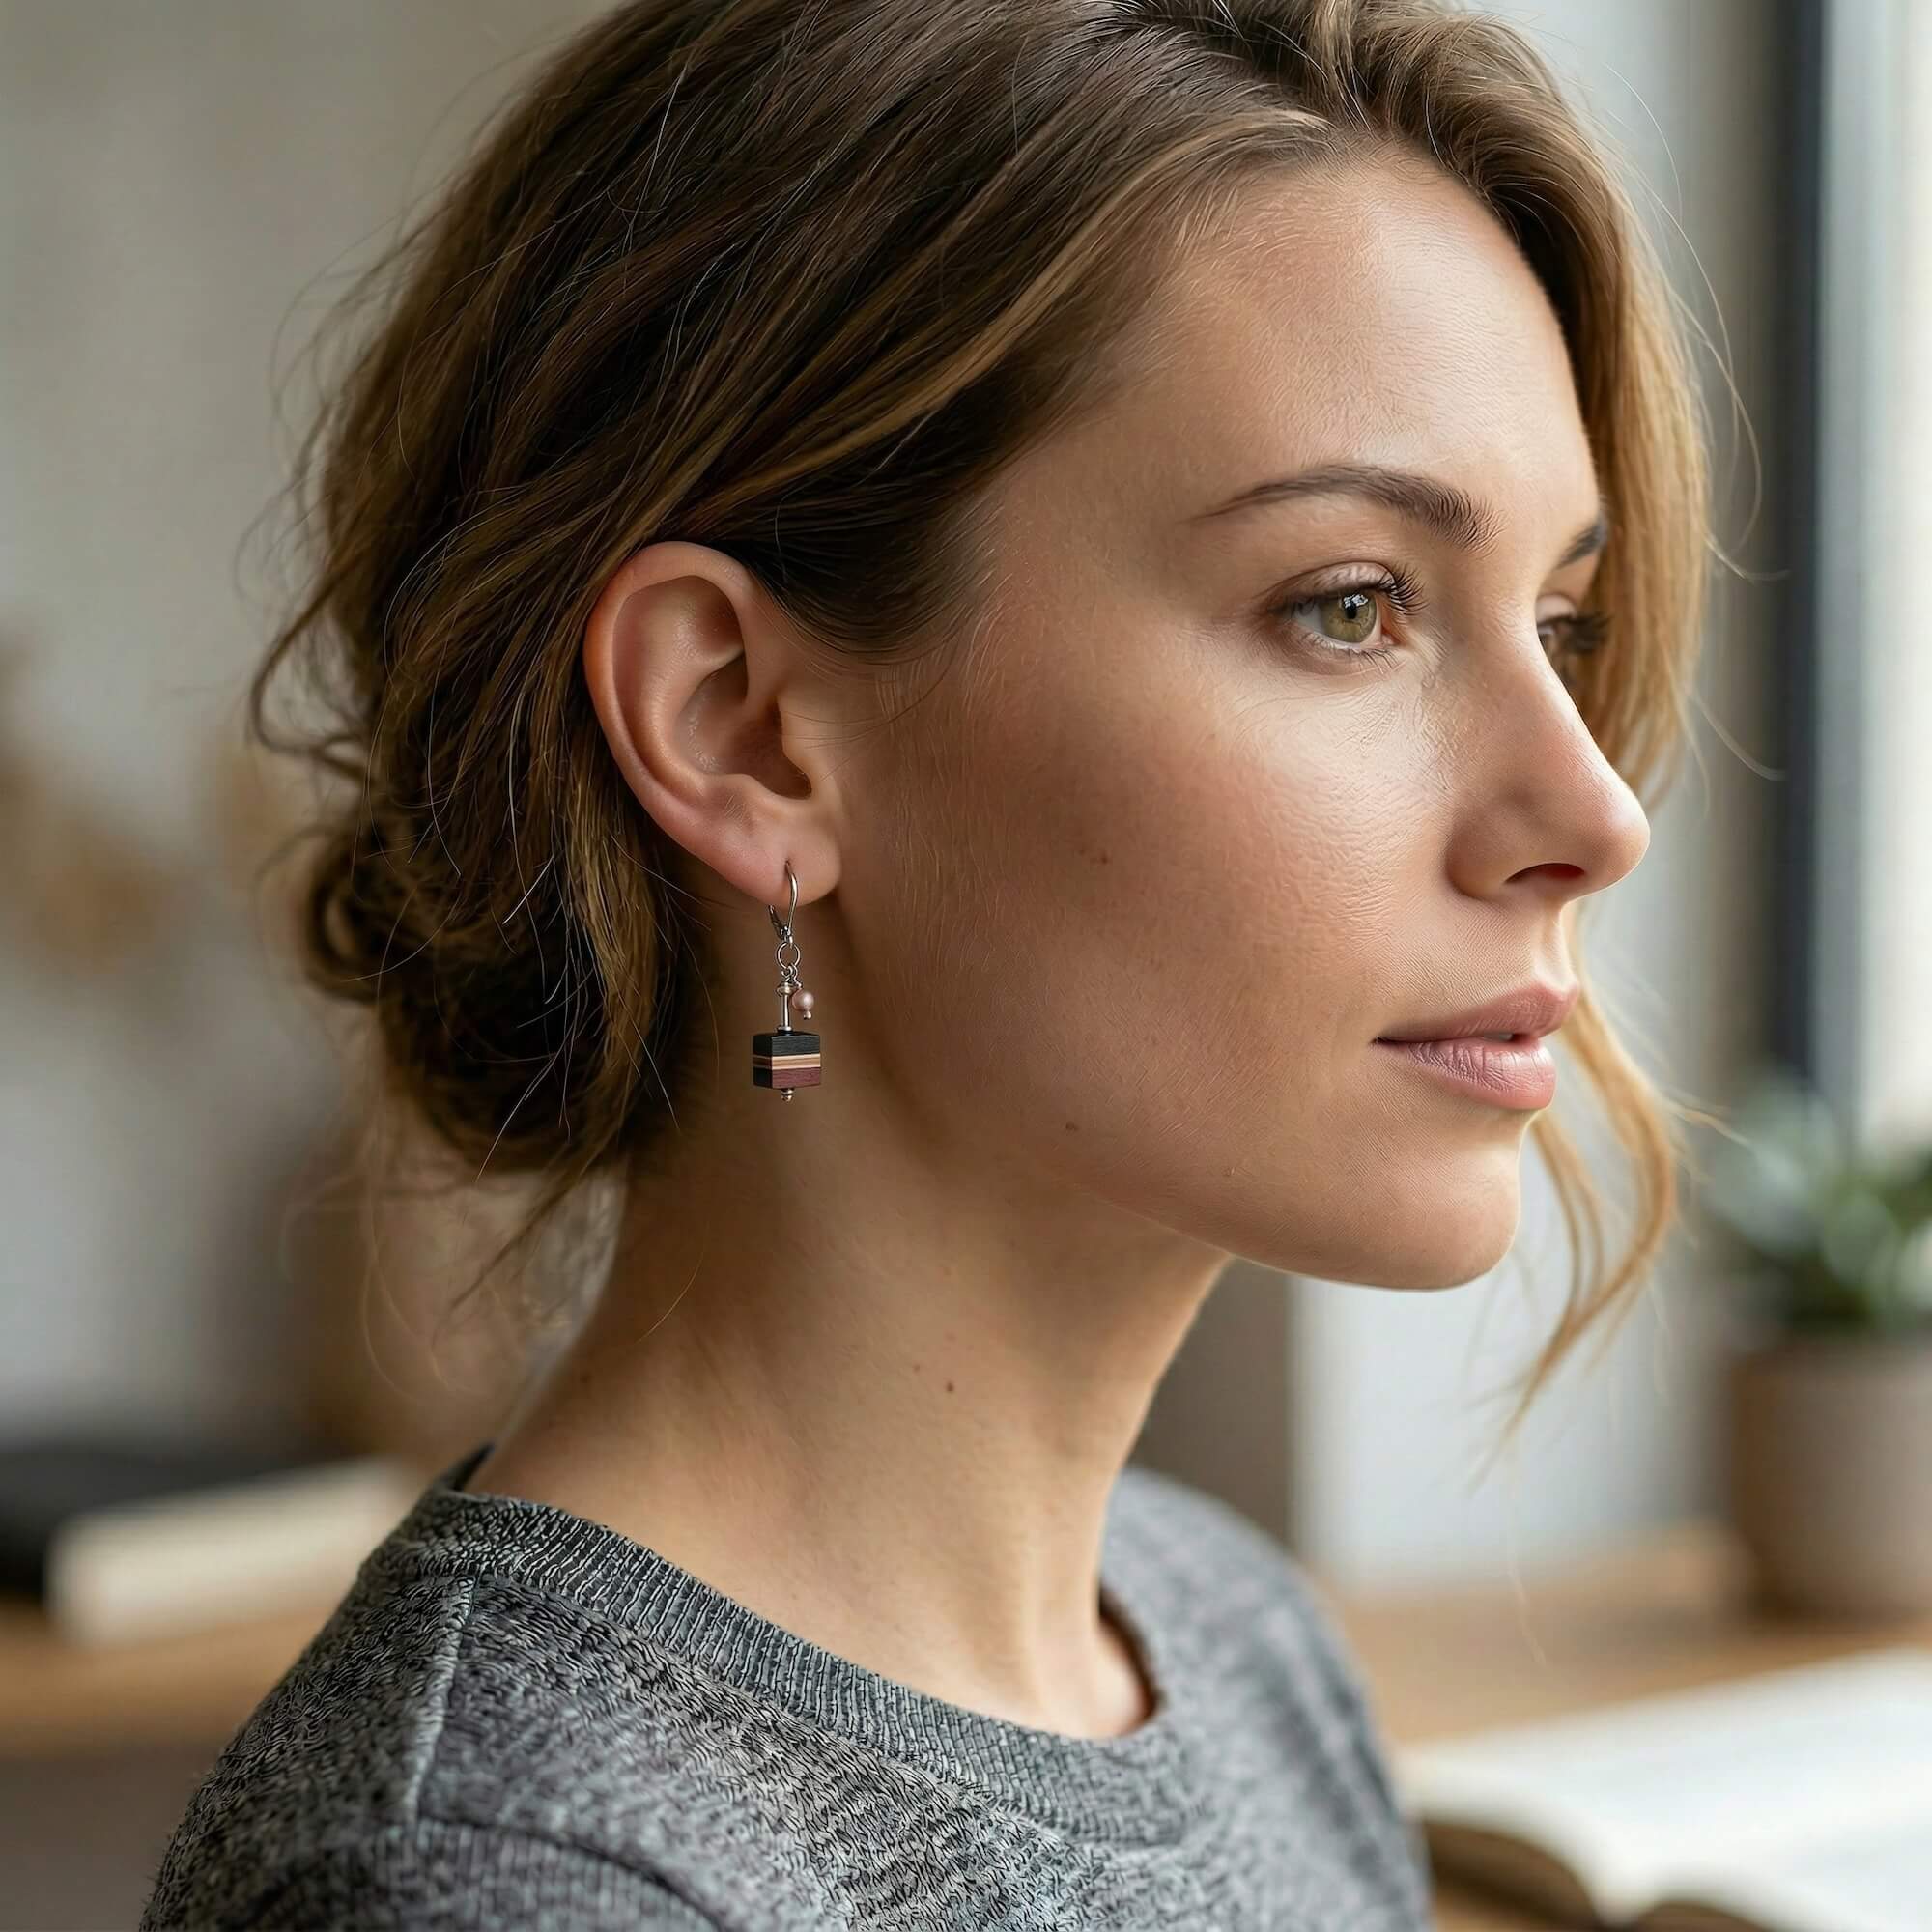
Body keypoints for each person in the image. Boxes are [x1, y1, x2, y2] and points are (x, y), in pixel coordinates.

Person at [142, 0, 1712, 1924]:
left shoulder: (1233, 1645)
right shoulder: (494, 1880)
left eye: (1559, 614)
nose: (1590, 810)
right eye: (1350, 605)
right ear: (741, 727)